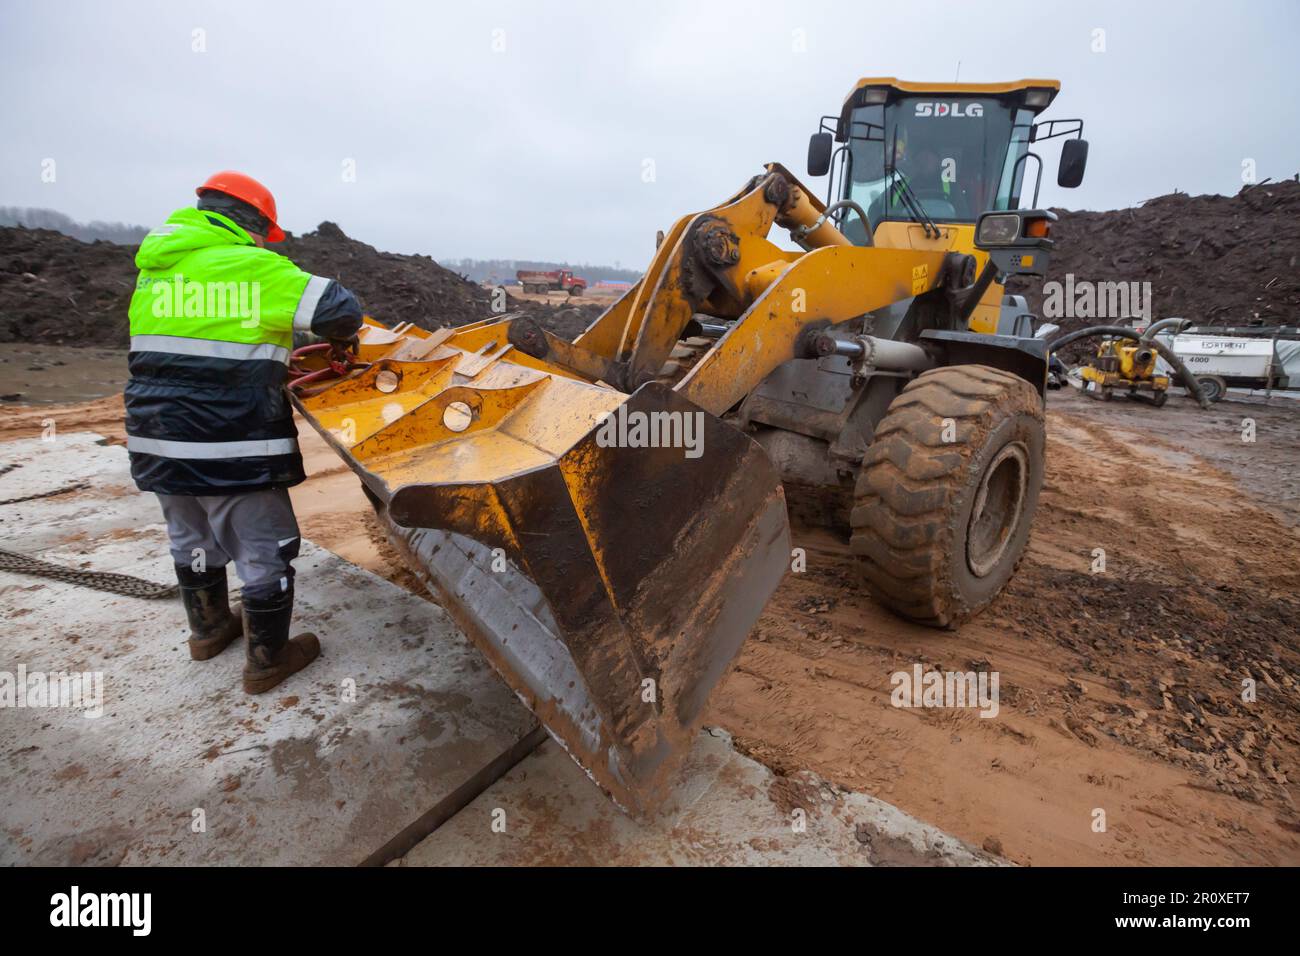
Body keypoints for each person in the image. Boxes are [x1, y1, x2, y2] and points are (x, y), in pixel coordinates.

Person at [124, 171, 363, 693]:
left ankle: (208, 631)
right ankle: (267, 660)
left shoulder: (155, 273)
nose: (263, 243)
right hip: (231, 443)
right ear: (252, 224)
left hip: (156, 439)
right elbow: (342, 312)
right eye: (264, 235)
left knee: (190, 536)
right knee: (263, 549)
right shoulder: (254, 267)